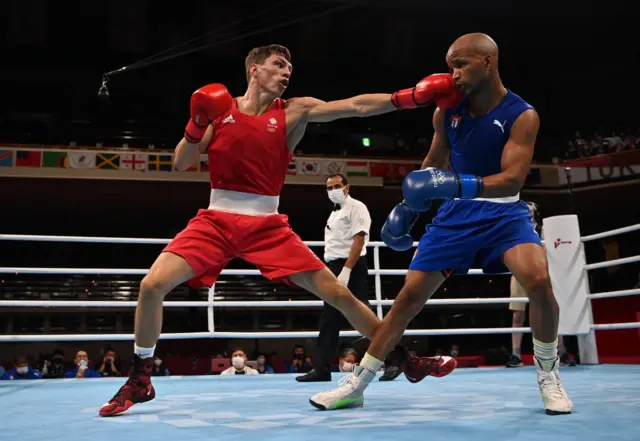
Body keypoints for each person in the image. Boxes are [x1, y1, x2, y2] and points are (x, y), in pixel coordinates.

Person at [99, 44, 462, 416]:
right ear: (254, 69)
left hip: (268, 225)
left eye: (290, 66)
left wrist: (410, 97)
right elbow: (180, 162)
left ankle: (404, 359)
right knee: (151, 285)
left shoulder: (293, 111)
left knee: (338, 294)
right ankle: (140, 378)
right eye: (278, 64)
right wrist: (194, 125)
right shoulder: (220, 110)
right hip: (216, 219)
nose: (286, 72)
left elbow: (356, 106)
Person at [311, 33, 573, 415]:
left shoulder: (522, 114)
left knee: (538, 282)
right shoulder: (446, 111)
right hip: (455, 217)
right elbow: (432, 164)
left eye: (461, 65)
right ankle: (358, 383)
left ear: (488, 63)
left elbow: (513, 179)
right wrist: (408, 209)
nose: (453, 74)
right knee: (407, 299)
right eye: (450, 65)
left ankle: (548, 373)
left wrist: (456, 183)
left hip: (503, 212)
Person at [296, 174, 400, 382]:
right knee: (329, 318)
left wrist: (346, 270)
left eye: (336, 186)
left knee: (364, 313)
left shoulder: (357, 207)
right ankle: (322, 368)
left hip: (351, 267)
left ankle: (395, 361)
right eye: (329, 187)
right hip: (333, 266)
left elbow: (359, 242)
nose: (333, 190)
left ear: (347, 187)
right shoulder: (334, 213)